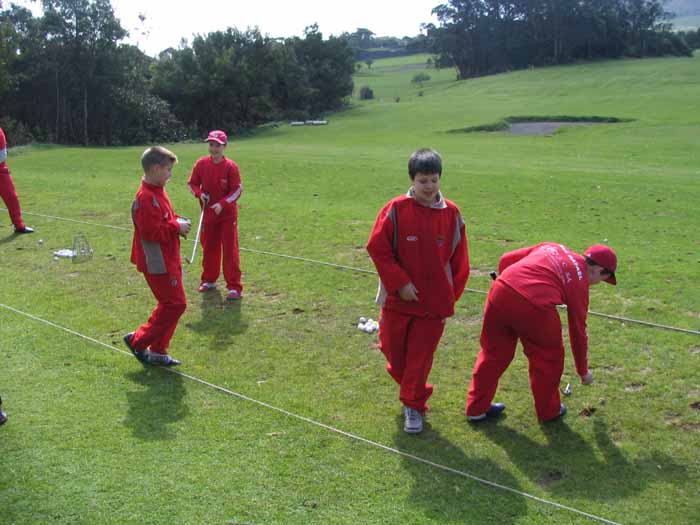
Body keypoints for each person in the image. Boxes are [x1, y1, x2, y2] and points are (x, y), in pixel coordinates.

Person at [366, 148, 470, 434]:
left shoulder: (452, 213)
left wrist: (448, 295)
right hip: (398, 302)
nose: (429, 186)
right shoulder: (395, 209)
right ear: (412, 180)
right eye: (423, 180)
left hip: (433, 306)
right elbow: (377, 247)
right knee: (393, 352)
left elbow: (461, 262)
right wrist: (399, 283)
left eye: (434, 180)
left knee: (419, 358)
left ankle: (413, 405)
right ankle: (414, 388)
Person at [466, 242, 618, 422]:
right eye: (603, 279)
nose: (597, 284)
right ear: (600, 270)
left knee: (493, 353)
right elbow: (578, 331)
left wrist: (512, 286)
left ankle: (476, 408)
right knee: (548, 358)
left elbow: (505, 259)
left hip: (501, 288)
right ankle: (549, 411)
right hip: (534, 305)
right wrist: (583, 371)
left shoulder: (554, 246)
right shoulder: (580, 283)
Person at [123, 146, 191, 366]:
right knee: (175, 304)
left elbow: (165, 219)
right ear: (154, 169)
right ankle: (137, 340)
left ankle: (158, 351)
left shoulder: (158, 190)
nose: (170, 174)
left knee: (170, 304)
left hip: (169, 257)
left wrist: (178, 220)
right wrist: (176, 227)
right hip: (157, 262)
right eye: (168, 170)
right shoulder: (145, 198)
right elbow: (151, 232)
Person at [187, 130, 243, 300]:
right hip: (208, 215)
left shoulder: (231, 167)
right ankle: (209, 280)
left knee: (229, 250)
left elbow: (237, 190)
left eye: (217, 145)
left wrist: (222, 204)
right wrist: (199, 194)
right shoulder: (201, 164)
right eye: (211, 144)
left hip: (227, 216)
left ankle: (234, 287)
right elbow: (192, 184)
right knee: (209, 247)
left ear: (224, 146)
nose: (213, 148)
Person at [0, 127, 33, 234]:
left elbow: (2, 155)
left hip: (1, 171)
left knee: (12, 197)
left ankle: (19, 226)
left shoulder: (0, 133)